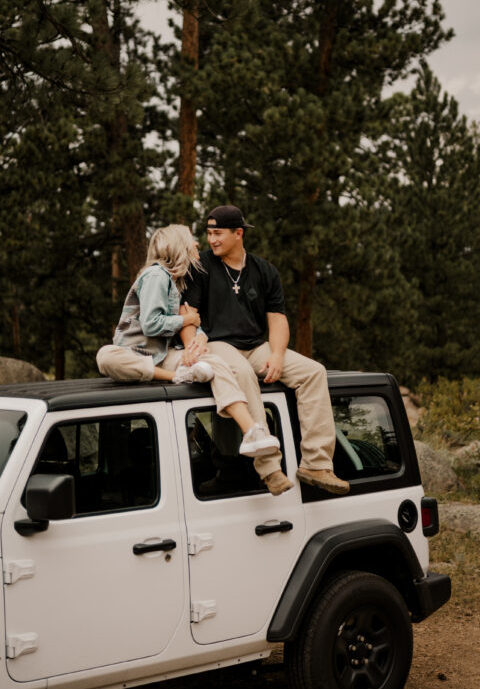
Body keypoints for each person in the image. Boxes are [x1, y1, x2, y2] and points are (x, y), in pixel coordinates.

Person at [180, 205, 350, 495]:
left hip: (257, 345)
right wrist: (190, 347)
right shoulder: (201, 266)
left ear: (239, 233)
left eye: (218, 233)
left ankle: (316, 465)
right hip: (217, 344)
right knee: (243, 374)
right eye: (209, 234)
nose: (212, 240)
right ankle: (270, 468)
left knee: (313, 372)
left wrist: (277, 355)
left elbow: (278, 319)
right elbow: (188, 313)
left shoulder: (264, 270)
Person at [96, 224, 284, 464]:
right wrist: (187, 319)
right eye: (192, 240)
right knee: (104, 356)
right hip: (132, 354)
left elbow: (193, 323)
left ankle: (252, 431)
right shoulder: (156, 275)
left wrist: (200, 339)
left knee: (216, 363)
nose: (198, 244)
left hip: (162, 353)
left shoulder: (177, 281)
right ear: (178, 247)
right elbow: (152, 324)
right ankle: (176, 377)